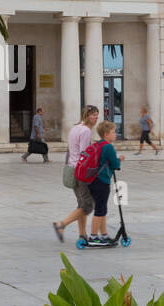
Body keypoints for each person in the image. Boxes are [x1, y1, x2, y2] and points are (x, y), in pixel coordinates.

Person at [52, 105, 98, 245]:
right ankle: (62, 225)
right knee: (88, 206)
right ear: (87, 116)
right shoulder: (85, 131)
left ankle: (82, 235)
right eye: (93, 115)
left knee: (81, 203)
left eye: (97, 115)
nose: (96, 118)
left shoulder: (75, 128)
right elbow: (85, 153)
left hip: (72, 168)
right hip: (81, 171)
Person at [88, 120, 121, 244]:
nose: (116, 134)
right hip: (102, 181)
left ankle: (104, 234)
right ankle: (93, 237)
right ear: (106, 134)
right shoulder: (108, 147)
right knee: (100, 210)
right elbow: (115, 164)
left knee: (102, 208)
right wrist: (119, 160)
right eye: (113, 132)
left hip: (92, 180)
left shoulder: (97, 144)